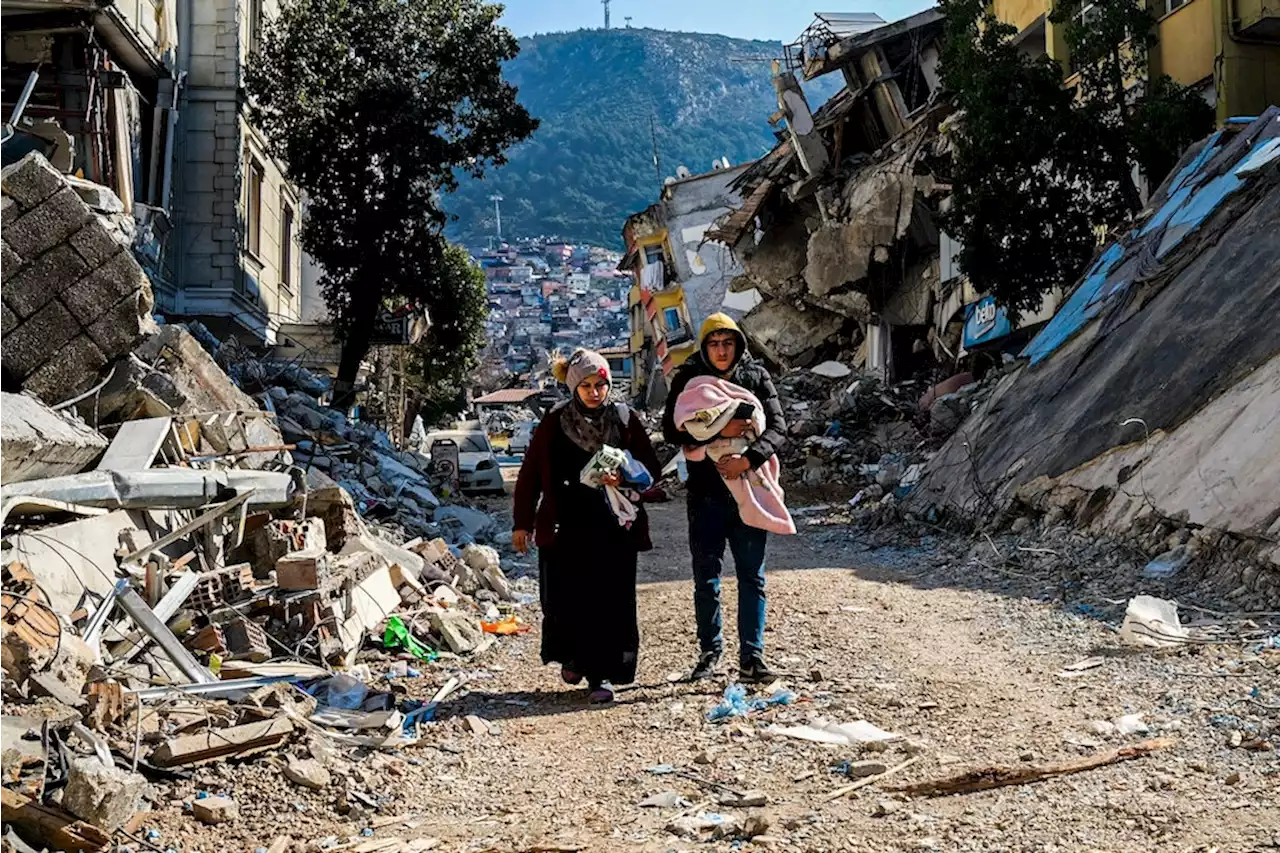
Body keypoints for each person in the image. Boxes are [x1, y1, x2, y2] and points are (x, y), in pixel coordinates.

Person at [512, 349, 661, 704]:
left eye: (601, 385)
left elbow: (652, 468)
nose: (595, 392)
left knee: (609, 602)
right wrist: (523, 523)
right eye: (587, 386)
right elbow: (531, 472)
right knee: (563, 599)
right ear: (574, 387)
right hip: (565, 525)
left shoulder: (624, 420)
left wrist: (623, 474)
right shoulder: (554, 422)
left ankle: (601, 675)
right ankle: (574, 659)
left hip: (612, 526)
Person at [662, 314, 786, 684]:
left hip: (748, 487)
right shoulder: (687, 378)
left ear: (738, 345)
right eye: (714, 343)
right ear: (704, 346)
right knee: (707, 577)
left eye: (727, 343)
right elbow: (670, 428)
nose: (721, 350)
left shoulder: (756, 377)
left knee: (752, 576)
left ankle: (752, 657)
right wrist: (720, 430)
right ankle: (709, 651)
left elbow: (778, 427)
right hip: (705, 495)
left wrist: (748, 458)